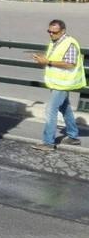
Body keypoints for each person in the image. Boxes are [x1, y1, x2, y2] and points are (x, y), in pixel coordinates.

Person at [31, 19, 85, 150]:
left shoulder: (70, 43)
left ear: (63, 31)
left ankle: (48, 142)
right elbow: (55, 59)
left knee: (51, 109)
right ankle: (73, 136)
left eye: (54, 32)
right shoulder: (55, 41)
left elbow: (70, 63)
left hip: (63, 83)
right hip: (57, 82)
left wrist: (47, 61)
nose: (51, 34)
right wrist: (42, 59)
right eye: (49, 31)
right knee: (65, 108)